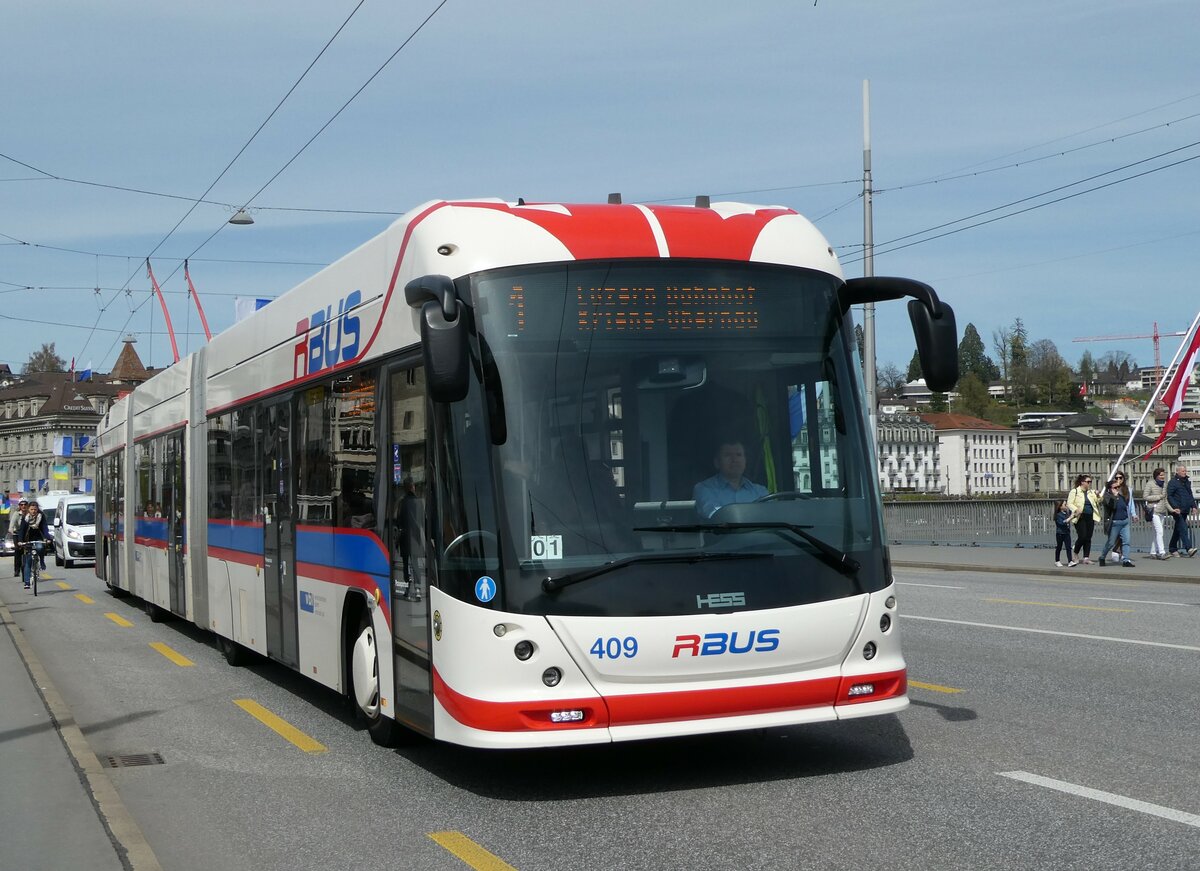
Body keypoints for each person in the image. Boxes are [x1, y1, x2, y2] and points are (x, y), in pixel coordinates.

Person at [693, 440, 768, 518]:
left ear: (745, 461)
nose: (734, 460)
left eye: (738, 455)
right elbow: (715, 516)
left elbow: (771, 516)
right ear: (717, 463)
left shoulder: (761, 492)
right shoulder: (704, 489)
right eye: (727, 455)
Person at [1099, 472, 1135, 567]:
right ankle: (1102, 557)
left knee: (1126, 541)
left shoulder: (1122, 496)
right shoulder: (1107, 497)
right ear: (1110, 489)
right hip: (1115, 522)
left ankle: (1126, 560)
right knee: (1111, 542)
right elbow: (1112, 506)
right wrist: (1114, 497)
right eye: (1115, 488)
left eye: (1118, 487)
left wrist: (1132, 515)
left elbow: (1126, 506)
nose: (1117, 489)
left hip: (1124, 521)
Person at [1066, 474, 1101, 565]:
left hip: (1090, 516)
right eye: (1088, 481)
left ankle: (1086, 557)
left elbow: (1098, 501)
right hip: (1079, 516)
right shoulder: (1075, 491)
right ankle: (1075, 552)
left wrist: (1098, 495)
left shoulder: (1091, 492)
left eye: (1090, 482)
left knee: (1088, 537)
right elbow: (1069, 503)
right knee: (1082, 536)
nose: (1089, 483)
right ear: (1082, 482)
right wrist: (1076, 509)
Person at [1166, 464, 1197, 557]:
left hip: (1185, 509)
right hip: (1177, 510)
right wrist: (1175, 507)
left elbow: (1189, 494)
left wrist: (1193, 506)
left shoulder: (1187, 482)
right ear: (1177, 472)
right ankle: (1189, 548)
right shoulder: (1173, 482)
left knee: (1178, 529)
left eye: (1185, 471)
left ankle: (1172, 548)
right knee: (1183, 527)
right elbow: (1169, 496)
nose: (1185, 472)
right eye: (1183, 471)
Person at [16, 502, 49, 589]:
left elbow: (45, 528)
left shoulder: (41, 517)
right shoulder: (25, 518)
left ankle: (41, 560)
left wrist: (47, 538)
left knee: (40, 547)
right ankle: (27, 582)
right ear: (28, 509)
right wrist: (20, 541)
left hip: (38, 538)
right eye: (31, 509)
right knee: (28, 561)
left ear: (37, 509)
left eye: (35, 509)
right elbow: (22, 530)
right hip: (28, 539)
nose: (33, 511)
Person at [1142, 467, 1171, 560]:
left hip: (1162, 511)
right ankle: (1162, 552)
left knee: (1156, 532)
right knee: (1160, 531)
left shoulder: (1164, 485)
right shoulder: (1150, 484)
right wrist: (1158, 496)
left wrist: (1172, 510)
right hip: (1153, 510)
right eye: (1161, 475)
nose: (1163, 477)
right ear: (1156, 476)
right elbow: (1145, 497)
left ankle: (1153, 552)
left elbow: (1165, 499)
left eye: (1164, 475)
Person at [9, 498, 28, 577]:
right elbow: (12, 524)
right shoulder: (16, 514)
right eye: (21, 504)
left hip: (27, 534)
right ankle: (17, 570)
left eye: (25, 504)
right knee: (17, 550)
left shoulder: (30, 513)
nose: (23, 506)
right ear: (19, 506)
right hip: (17, 534)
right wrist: (11, 530)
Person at [1053, 501, 1075, 567]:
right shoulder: (1058, 515)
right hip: (1060, 533)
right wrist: (1070, 518)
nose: (1066, 506)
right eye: (1065, 505)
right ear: (1060, 507)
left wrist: (1074, 511)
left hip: (1067, 532)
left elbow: (1074, 513)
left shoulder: (1067, 513)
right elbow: (1062, 523)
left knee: (1068, 547)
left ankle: (1070, 561)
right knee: (1059, 547)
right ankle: (1057, 561)